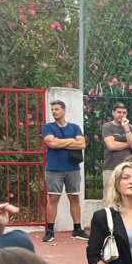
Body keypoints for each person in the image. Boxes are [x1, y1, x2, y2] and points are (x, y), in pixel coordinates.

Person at [42, 98, 89, 243]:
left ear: (64, 110)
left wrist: (60, 142)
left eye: (57, 109)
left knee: (74, 198)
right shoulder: (48, 127)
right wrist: (71, 140)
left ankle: (77, 229)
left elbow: (82, 144)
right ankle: (50, 230)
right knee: (53, 198)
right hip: (54, 168)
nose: (54, 112)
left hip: (72, 168)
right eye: (52, 110)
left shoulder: (74, 127)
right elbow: (52, 143)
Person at [99, 101, 132, 182]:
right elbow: (112, 146)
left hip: (128, 167)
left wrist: (126, 127)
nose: (121, 115)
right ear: (113, 113)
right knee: (110, 190)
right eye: (119, 112)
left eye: (124, 113)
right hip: (110, 168)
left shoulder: (131, 128)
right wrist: (128, 145)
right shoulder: (107, 126)